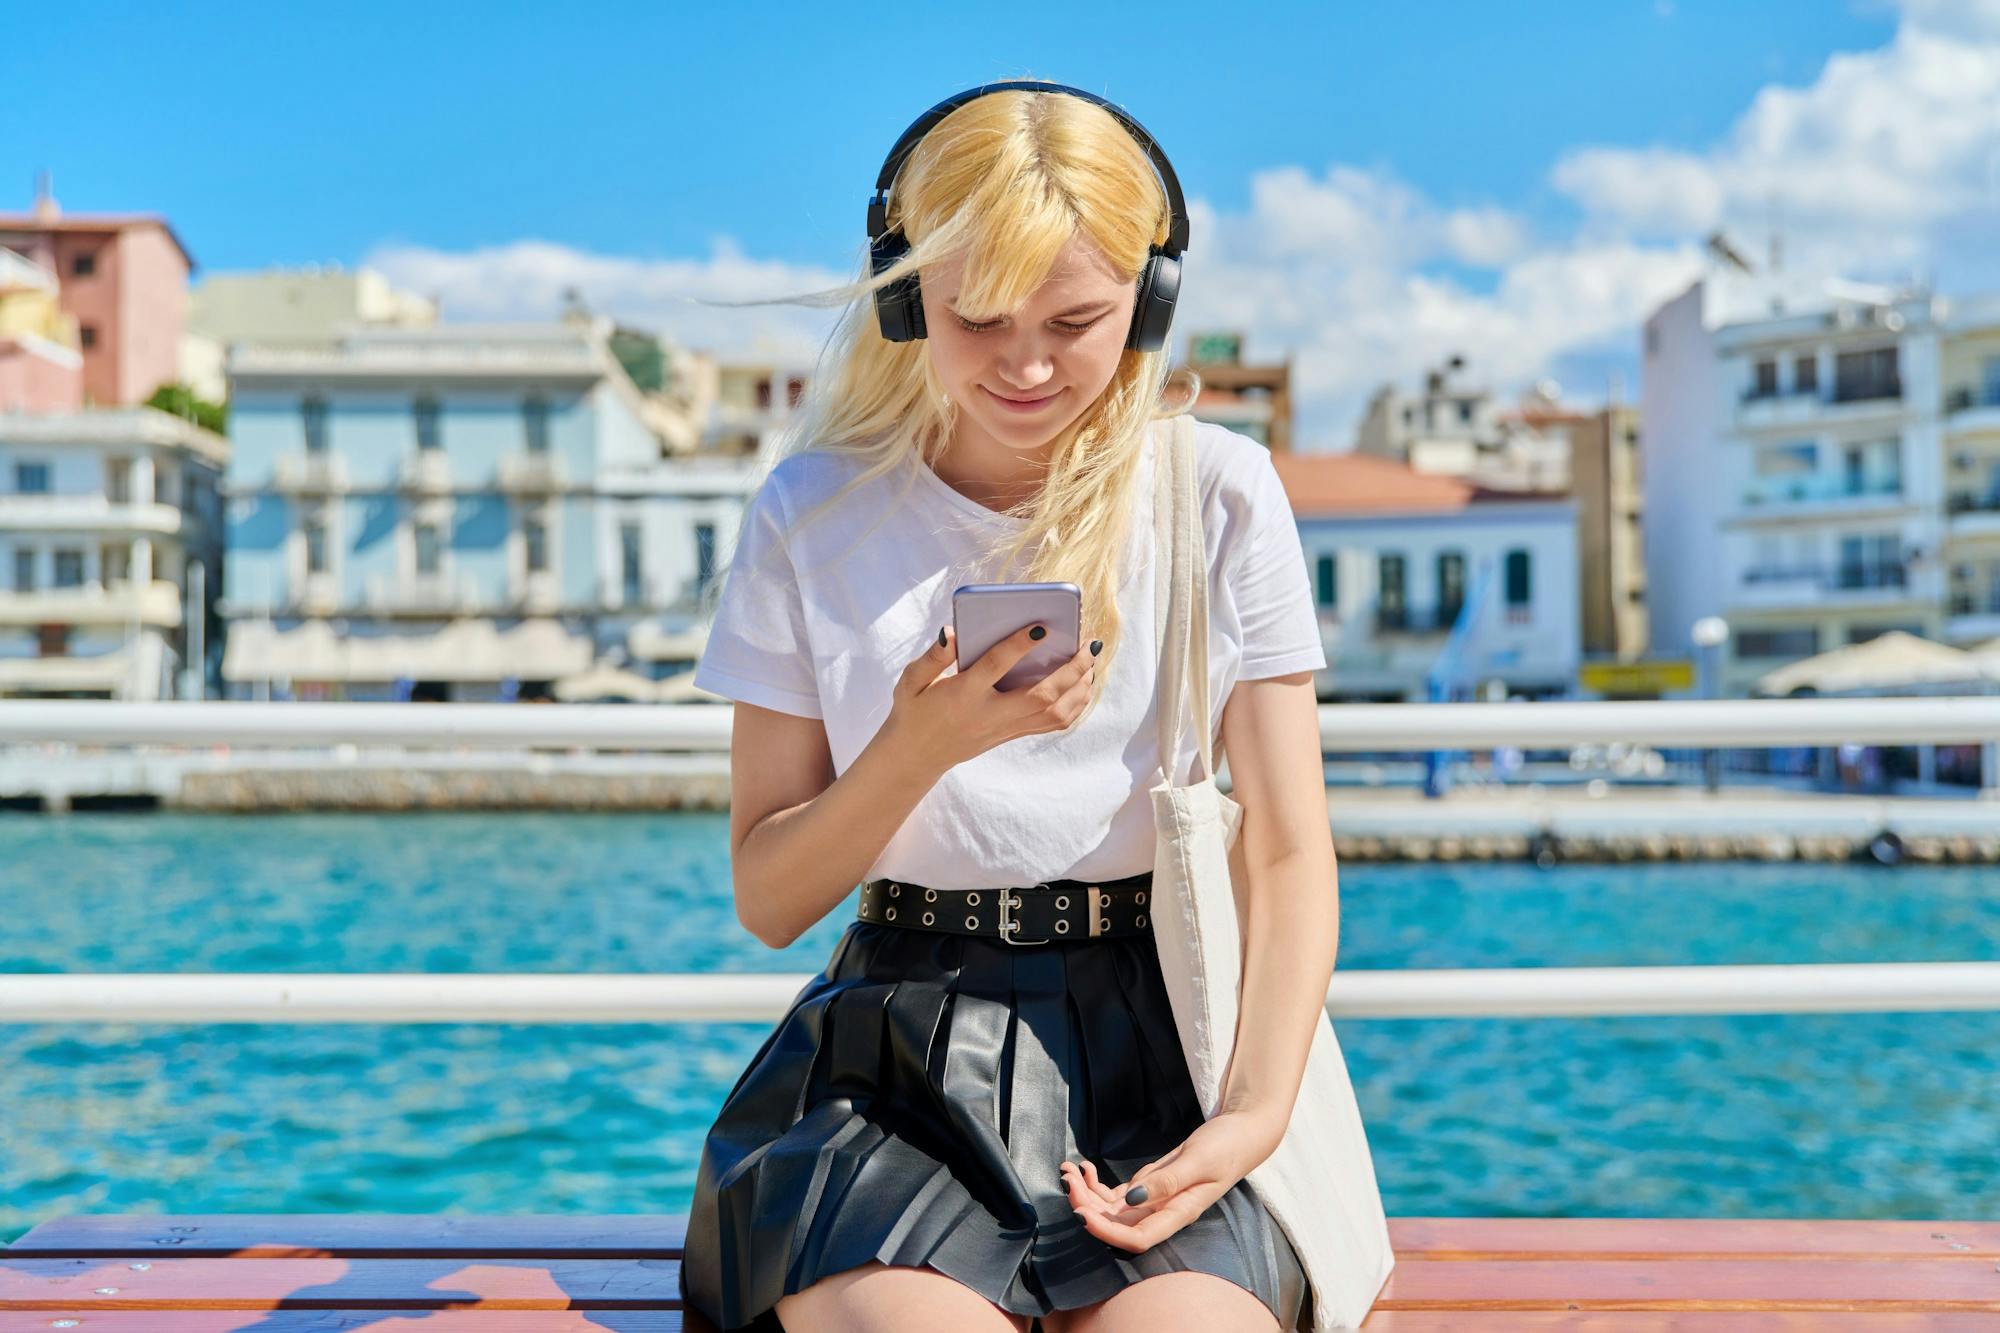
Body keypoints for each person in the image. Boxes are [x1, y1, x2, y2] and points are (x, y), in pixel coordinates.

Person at [681, 79, 1358, 1332]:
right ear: (902, 299)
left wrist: (1253, 1115)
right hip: (891, 1069)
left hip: (1163, 1047)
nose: (1028, 364)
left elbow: (1285, 843)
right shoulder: (811, 511)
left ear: (1150, 300)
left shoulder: (1217, 492)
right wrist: (919, 747)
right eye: (977, 317)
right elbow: (769, 898)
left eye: (1075, 319)